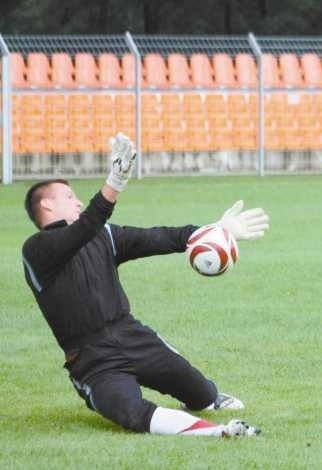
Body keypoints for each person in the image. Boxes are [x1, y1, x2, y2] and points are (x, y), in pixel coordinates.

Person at [22, 132, 270, 438]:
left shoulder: (105, 236)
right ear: (46, 205)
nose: (79, 202)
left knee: (201, 394)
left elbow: (159, 237)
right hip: (92, 360)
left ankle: (209, 399)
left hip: (133, 336)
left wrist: (216, 232)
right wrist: (114, 183)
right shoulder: (35, 250)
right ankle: (218, 432)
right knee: (129, 413)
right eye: (69, 197)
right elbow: (83, 228)